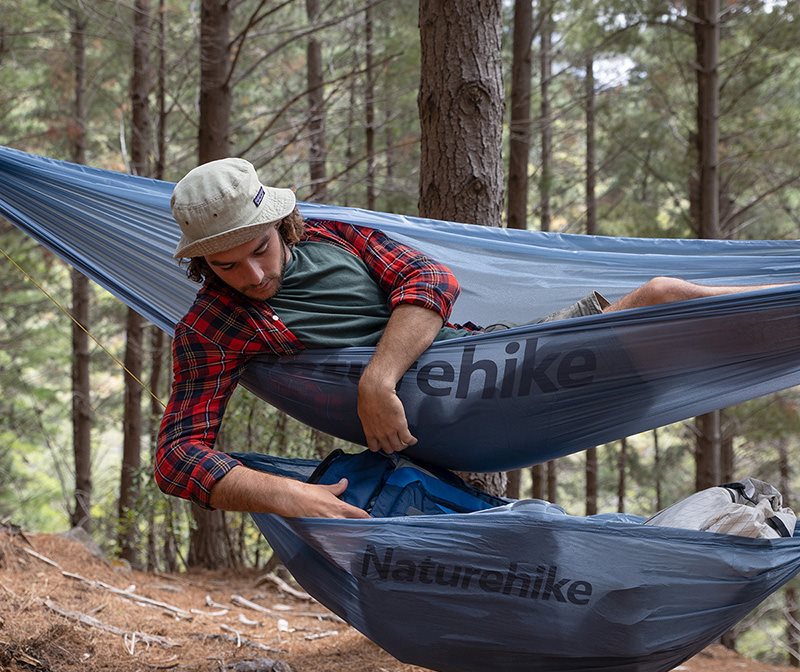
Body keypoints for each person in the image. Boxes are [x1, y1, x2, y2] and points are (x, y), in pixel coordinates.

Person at [155, 158, 783, 519]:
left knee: (665, 305)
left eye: (259, 250)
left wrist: (378, 377)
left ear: (280, 222)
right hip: (479, 394)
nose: (254, 276)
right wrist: (289, 496)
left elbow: (430, 280)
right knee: (661, 302)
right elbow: (177, 455)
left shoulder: (334, 237)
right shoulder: (214, 327)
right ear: (202, 265)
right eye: (226, 266)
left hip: (501, 356)